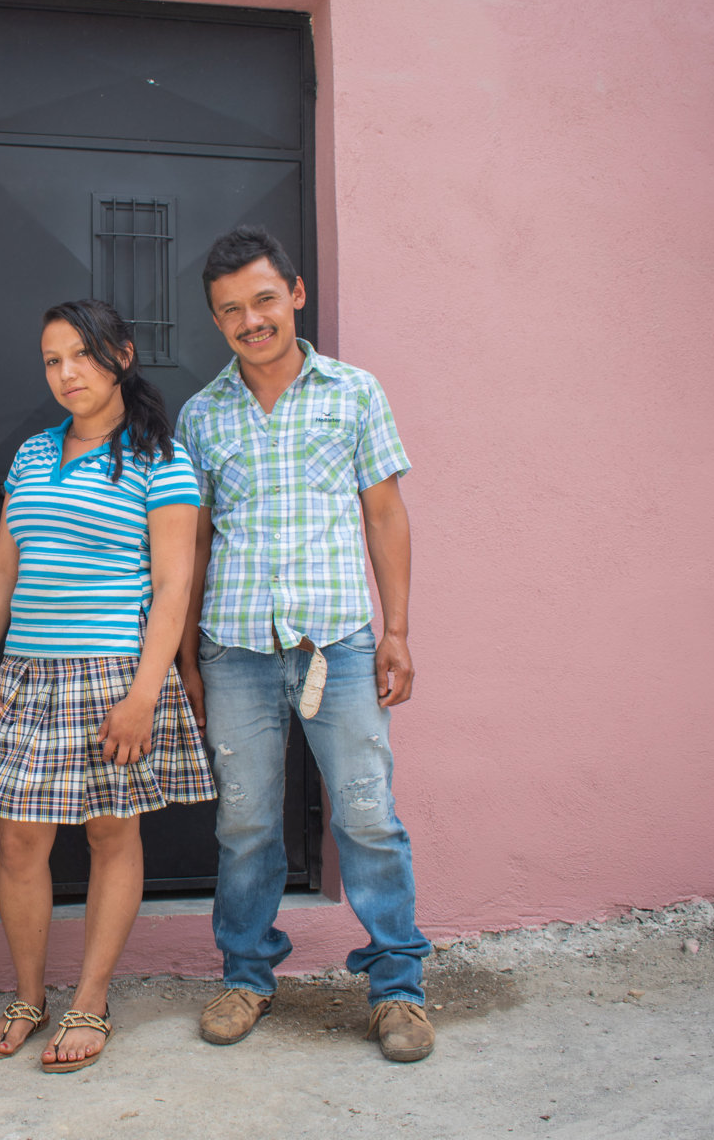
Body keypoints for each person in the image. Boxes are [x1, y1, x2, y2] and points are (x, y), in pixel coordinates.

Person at [175, 226, 436, 1062]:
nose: (250, 321)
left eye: (262, 300)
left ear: (294, 293)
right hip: (235, 647)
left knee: (366, 815)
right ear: (215, 320)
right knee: (245, 823)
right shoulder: (201, 414)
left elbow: (384, 514)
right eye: (230, 310)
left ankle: (397, 990)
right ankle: (246, 976)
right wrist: (186, 655)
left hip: (339, 645)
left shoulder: (353, 393)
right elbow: (193, 542)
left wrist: (396, 631)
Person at [0, 299, 215, 1073]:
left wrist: (144, 693)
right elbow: (3, 564)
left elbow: (173, 585)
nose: (65, 373)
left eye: (80, 356)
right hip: (26, 674)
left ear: (121, 356)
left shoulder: (160, 457)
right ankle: (28, 998)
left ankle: (91, 1000)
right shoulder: (33, 453)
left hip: (113, 675)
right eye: (51, 360)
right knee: (18, 840)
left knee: (110, 834)